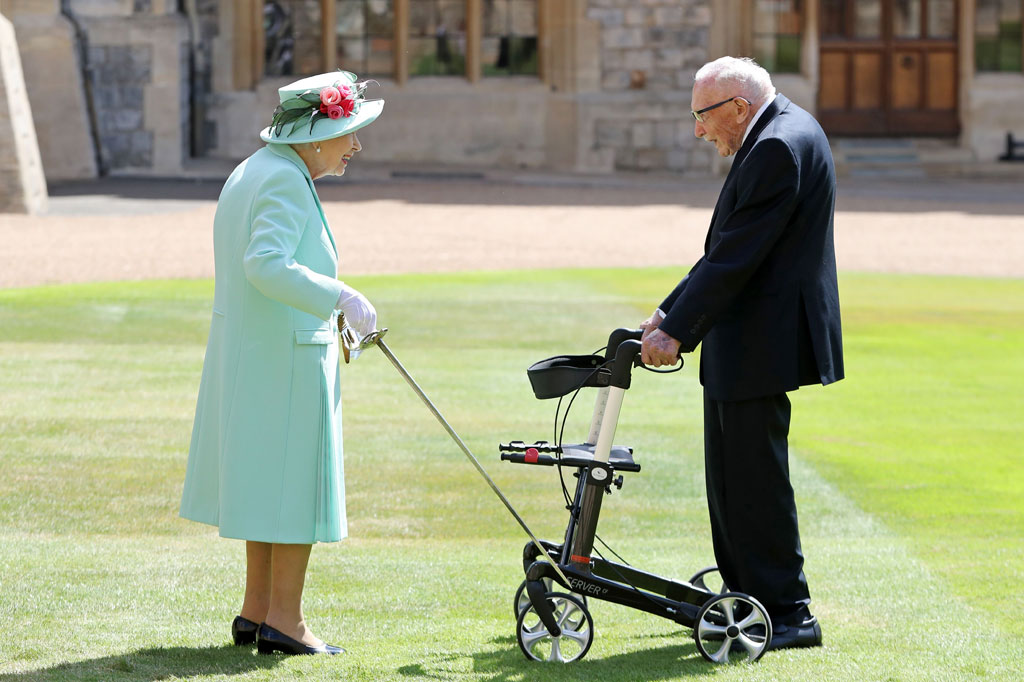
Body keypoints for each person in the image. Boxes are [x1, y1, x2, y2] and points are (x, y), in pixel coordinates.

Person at [639, 56, 843, 651]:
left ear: (737, 108)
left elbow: (738, 256)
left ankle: (787, 612)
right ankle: (747, 593)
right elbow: (728, 247)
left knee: (753, 481)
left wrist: (677, 331)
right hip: (748, 336)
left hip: (762, 338)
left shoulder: (778, 145)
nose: (699, 131)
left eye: (703, 117)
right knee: (732, 477)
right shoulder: (781, 129)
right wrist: (668, 311)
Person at [179, 71, 384, 656]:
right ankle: (286, 622)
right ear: (316, 135)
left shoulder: (255, 169)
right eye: (348, 133)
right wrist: (338, 295)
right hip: (287, 361)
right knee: (294, 494)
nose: (354, 147)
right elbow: (264, 264)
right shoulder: (285, 181)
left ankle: (258, 611)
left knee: (269, 489)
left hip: (260, 358)